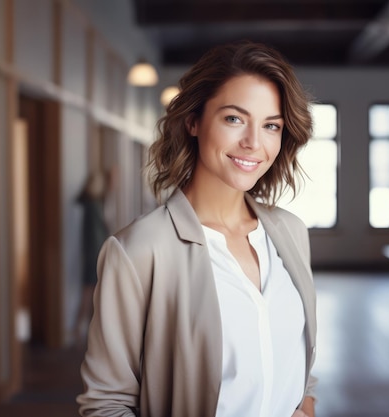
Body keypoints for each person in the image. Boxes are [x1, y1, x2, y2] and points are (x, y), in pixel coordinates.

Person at [77, 40, 318, 417]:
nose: (254, 143)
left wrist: (305, 405)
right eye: (234, 119)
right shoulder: (140, 250)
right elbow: (106, 403)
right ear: (193, 120)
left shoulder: (291, 232)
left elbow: (295, 363)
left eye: (271, 125)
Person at [74, 171, 111, 348]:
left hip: (91, 254)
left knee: (89, 294)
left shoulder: (90, 204)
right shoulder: (93, 206)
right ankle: (79, 330)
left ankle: (82, 330)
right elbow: (99, 234)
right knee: (89, 294)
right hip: (94, 255)